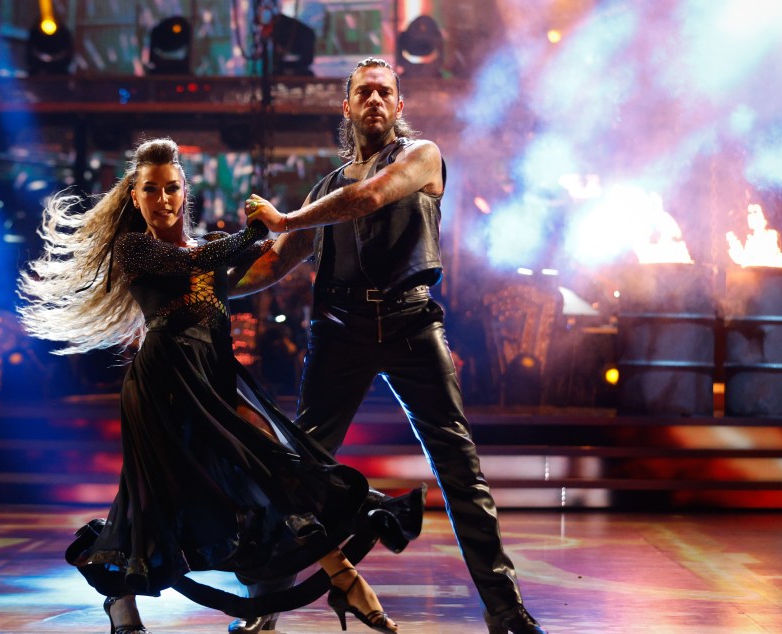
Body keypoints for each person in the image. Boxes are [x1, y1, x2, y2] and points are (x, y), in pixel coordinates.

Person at [17, 137, 423, 633]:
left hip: (214, 379)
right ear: (135, 195)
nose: (163, 199)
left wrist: (297, 221)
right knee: (150, 500)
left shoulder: (208, 246)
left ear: (184, 190)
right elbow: (195, 265)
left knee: (274, 470)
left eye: (170, 188)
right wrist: (257, 226)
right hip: (164, 386)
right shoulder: (136, 248)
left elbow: (263, 257)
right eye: (151, 190)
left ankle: (343, 578)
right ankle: (121, 602)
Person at [234, 58, 547, 634]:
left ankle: (506, 612)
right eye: (364, 92)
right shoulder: (326, 187)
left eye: (385, 92)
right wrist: (202, 286)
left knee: (460, 471)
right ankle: (263, 608)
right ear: (347, 108)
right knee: (299, 470)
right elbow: (278, 262)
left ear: (399, 107)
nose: (375, 100)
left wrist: (284, 218)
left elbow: (372, 196)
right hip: (339, 330)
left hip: (411, 324)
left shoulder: (420, 157)